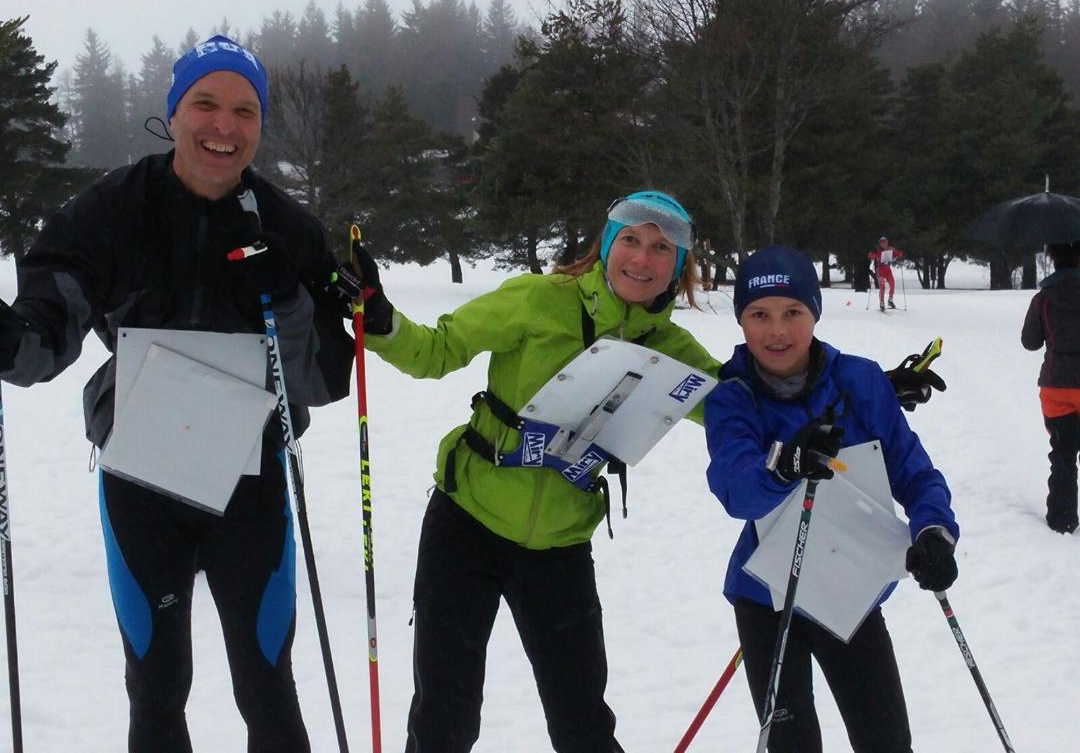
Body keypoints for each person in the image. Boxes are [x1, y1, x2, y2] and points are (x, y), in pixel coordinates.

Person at [0, 36, 353, 752]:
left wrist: (288, 294)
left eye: (244, 111)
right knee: (156, 686)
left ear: (259, 124)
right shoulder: (109, 211)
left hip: (248, 479)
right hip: (141, 473)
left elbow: (323, 377)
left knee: (266, 683)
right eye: (206, 104)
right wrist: (13, 339)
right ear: (174, 111)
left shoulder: (286, 228)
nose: (224, 127)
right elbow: (46, 327)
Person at [351, 191, 721, 752]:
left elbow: (740, 409)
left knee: (583, 723)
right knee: (443, 718)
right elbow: (436, 351)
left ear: (679, 265)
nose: (642, 260)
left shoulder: (670, 350)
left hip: (560, 545)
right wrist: (381, 321)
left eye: (661, 248)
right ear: (605, 245)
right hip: (466, 524)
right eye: (630, 240)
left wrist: (843, 395)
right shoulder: (537, 299)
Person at [704, 244, 959, 753]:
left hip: (849, 590)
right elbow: (736, 487)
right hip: (766, 597)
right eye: (759, 314)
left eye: (793, 312)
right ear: (741, 321)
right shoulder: (732, 396)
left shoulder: (860, 381)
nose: (777, 331)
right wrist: (785, 465)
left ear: (814, 313)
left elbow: (915, 473)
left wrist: (935, 532)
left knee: (885, 741)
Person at [1021, 241, 1080, 534]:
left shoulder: (1043, 299)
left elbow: (1029, 342)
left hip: (1056, 388)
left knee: (1063, 454)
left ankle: (1062, 517)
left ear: (1053, 260)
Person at [868, 235, 904, 312]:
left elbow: (897, 253)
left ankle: (890, 300)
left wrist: (900, 254)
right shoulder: (876, 249)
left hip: (887, 269)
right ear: (880, 244)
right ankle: (881, 303)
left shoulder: (890, 249)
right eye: (882, 243)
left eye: (885, 243)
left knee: (892, 284)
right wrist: (872, 255)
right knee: (882, 287)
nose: (884, 244)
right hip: (879, 270)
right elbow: (870, 255)